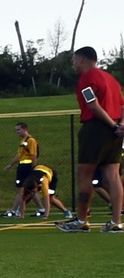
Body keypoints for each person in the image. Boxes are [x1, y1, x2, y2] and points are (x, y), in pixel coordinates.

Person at [56, 46, 124, 233]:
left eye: (74, 61)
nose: (73, 65)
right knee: (113, 175)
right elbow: (122, 105)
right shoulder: (112, 80)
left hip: (96, 128)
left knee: (85, 174)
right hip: (117, 131)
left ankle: (81, 220)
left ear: (82, 60)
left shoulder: (87, 78)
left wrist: (110, 124)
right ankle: (116, 222)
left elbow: (92, 105)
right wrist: (120, 125)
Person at [2, 122, 38, 217]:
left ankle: (13, 210)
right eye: (16, 130)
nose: (17, 132)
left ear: (25, 129)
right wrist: (11, 164)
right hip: (22, 166)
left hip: (27, 167)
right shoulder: (23, 141)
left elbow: (33, 155)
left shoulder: (30, 140)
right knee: (29, 189)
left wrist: (33, 168)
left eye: (18, 129)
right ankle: (41, 208)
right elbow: (19, 155)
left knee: (20, 189)